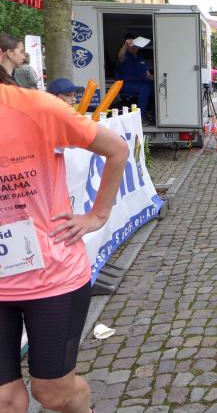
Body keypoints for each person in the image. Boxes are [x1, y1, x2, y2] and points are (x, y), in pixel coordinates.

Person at [0, 32, 129, 413]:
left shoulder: (35, 106)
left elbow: (117, 149)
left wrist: (98, 215)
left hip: (50, 276)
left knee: (53, 392)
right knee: (5, 399)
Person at [116, 36, 155, 119]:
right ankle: (140, 117)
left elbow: (148, 75)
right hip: (127, 84)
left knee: (157, 88)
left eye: (137, 46)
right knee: (145, 89)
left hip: (142, 83)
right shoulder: (125, 57)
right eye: (133, 46)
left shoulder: (140, 57)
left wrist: (157, 79)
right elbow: (120, 56)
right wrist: (125, 45)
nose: (135, 48)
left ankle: (153, 115)